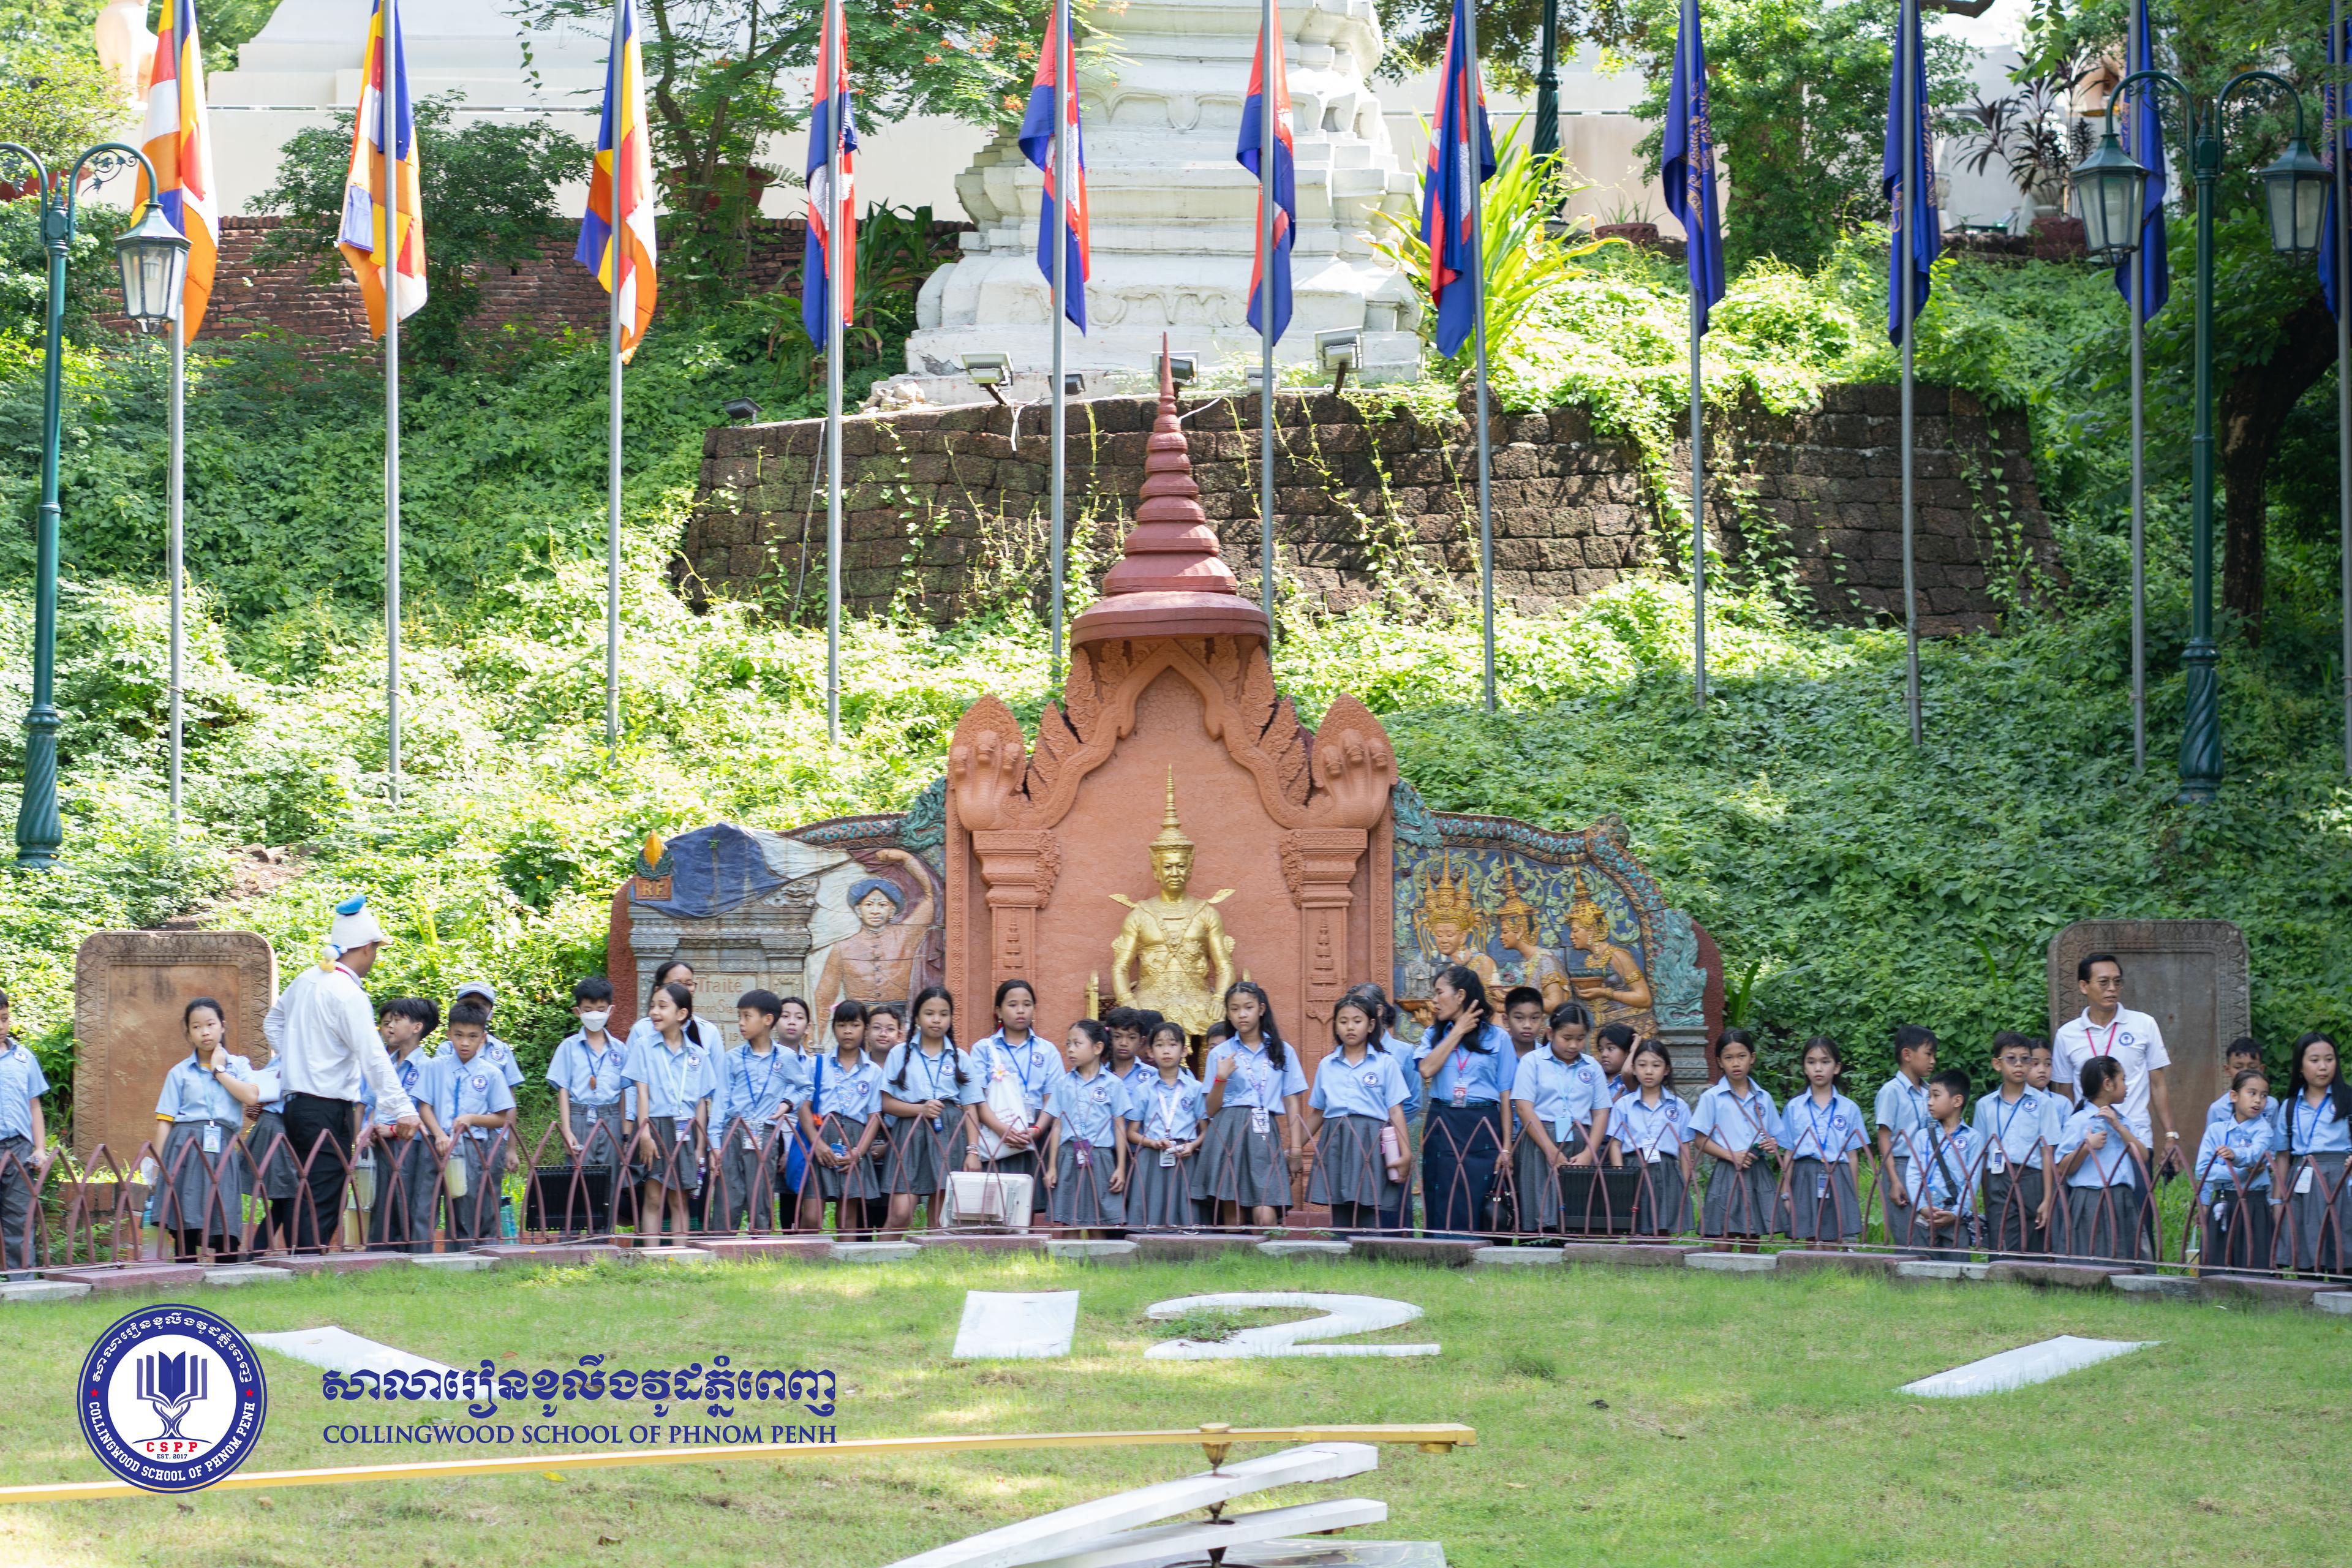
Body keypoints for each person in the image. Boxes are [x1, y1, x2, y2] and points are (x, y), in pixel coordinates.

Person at [262, 897, 420, 1250]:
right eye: (376, 949)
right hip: (328, 1108)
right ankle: (304, 1264)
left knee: (303, 1188)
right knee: (322, 1195)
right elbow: (373, 1056)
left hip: (296, 1106)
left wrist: (299, 1058)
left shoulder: (306, 980)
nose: (375, 957)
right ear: (365, 948)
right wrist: (404, 1109)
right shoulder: (348, 994)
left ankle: (284, 1257)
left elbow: (272, 1022)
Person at [2052, 954, 2182, 1180]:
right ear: (2084, 986)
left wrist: (2170, 1135)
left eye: (2117, 981)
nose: (2112, 988)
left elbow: (2158, 1084)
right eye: (2104, 982)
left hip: (2135, 1136)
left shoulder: (2143, 1024)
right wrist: (2068, 1137)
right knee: (2091, 1207)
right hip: (2089, 1138)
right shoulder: (2067, 1034)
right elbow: (2064, 1093)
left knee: (2138, 1211)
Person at [151, 998, 261, 1262]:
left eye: (211, 1024)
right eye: (197, 1027)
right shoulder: (179, 1073)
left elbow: (251, 1097)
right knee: (184, 1214)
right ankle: (185, 1271)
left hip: (221, 1146)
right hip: (184, 1147)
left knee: (225, 1211)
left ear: (222, 1027)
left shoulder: (239, 1066)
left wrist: (219, 1071)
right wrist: (158, 1164)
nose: (205, 1032)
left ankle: (228, 1271)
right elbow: (165, 1121)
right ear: (188, 1032)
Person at [1197, 981, 1309, 1228]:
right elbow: (1211, 1109)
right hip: (1228, 1129)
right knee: (1232, 1205)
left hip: (1264, 1130)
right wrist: (1221, 1078)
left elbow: (1292, 1103)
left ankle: (1266, 1259)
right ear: (1228, 1013)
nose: (1242, 1015)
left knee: (1265, 1212)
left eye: (1248, 1007)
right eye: (1235, 1009)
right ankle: (1235, 1259)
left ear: (1261, 1009)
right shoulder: (1221, 1052)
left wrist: (1297, 1148)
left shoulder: (1282, 1050)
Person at [1414, 965, 1509, 1237]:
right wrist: (1456, 1032)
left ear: (1461, 995)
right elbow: (1426, 1070)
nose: (1434, 1000)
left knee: (1477, 1191)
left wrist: (1506, 1147)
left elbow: (1505, 1094)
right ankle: (1439, 1250)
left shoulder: (1498, 1037)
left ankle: (1477, 1249)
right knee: (1440, 1186)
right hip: (1443, 1118)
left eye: (1439, 992)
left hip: (1483, 1122)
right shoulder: (1433, 1035)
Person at [1305, 993, 1412, 1234]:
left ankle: (1370, 1252)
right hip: (1336, 1141)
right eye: (1343, 1021)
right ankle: (1340, 1251)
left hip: (1370, 1140)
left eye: (1357, 1021)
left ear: (1371, 1024)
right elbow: (1317, 1113)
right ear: (1335, 1025)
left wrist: (1406, 1153)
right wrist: (1292, 1149)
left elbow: (1395, 1110)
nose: (1350, 1027)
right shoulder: (1327, 1065)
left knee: (1370, 1204)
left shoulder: (1386, 1063)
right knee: (1340, 1205)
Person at [625, 981, 720, 1244]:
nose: (655, 1012)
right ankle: (651, 1255)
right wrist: (643, 1133)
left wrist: (701, 1147)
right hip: (654, 1126)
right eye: (653, 1006)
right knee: (654, 1195)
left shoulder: (698, 1055)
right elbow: (641, 1093)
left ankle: (681, 1256)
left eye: (662, 1006)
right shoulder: (644, 1046)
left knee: (680, 1197)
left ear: (682, 1014)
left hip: (686, 1130)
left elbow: (701, 1103)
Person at [880, 986, 979, 1235]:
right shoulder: (899, 1053)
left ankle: (936, 1266)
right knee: (901, 1213)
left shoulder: (960, 1057)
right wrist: (919, 1109)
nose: (937, 1020)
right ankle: (879, 1259)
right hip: (909, 1132)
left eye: (944, 1014)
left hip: (949, 1133)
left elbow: (970, 1107)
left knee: (941, 1216)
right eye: (929, 1013)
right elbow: (886, 1103)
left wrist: (973, 1151)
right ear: (916, 1018)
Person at [1508, 1000, 1611, 1235]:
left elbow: (1601, 1112)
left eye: (1580, 1038)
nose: (1574, 1045)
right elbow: (1524, 1108)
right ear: (1551, 1033)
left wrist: (1589, 1153)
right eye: (1567, 1038)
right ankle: (1538, 1247)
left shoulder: (1592, 1067)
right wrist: (1550, 1150)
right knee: (1541, 1205)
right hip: (1540, 1140)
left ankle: (1576, 1249)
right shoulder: (1532, 1062)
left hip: (1580, 1141)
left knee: (1575, 1209)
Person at [546, 977, 634, 1233]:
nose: (594, 1014)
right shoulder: (568, 1047)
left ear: (610, 1010)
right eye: (588, 1009)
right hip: (579, 1115)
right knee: (576, 1176)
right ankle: (570, 1238)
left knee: (608, 1180)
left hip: (611, 1119)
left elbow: (625, 1092)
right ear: (578, 1011)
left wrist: (625, 1133)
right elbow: (563, 1090)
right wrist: (567, 1130)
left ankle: (602, 1238)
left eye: (600, 1008)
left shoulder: (620, 1049)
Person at [714, 990, 805, 1233]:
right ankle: (721, 1244)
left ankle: (762, 1244)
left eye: (747, 1016)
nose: (741, 1023)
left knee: (761, 1194)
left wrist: (787, 1103)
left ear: (767, 1020)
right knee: (728, 1193)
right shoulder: (732, 1058)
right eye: (739, 1017)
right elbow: (721, 1100)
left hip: (764, 1132)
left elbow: (805, 1087)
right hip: (733, 1130)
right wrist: (715, 1142)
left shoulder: (785, 1057)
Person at [362, 997, 443, 1253]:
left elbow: (424, 1112)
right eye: (389, 1021)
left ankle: (412, 1257)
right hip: (381, 1143)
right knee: (381, 1206)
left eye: (398, 1020)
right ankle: (380, 1258)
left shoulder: (428, 1067)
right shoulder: (384, 1065)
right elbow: (373, 1104)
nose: (391, 1027)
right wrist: (369, 1128)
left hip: (411, 1146)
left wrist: (394, 1130)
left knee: (407, 1203)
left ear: (417, 1028)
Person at [1973, 1031, 2062, 1256]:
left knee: (2035, 1236)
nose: (2019, 1065)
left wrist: (2048, 1197)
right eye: (2011, 1059)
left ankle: (2035, 1284)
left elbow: (2047, 1153)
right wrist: (1985, 1194)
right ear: (1997, 1064)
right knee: (2002, 1236)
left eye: (2025, 1059)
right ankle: (2002, 1282)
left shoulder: (2043, 1104)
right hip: (1998, 1176)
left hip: (2032, 1177)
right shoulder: (1985, 1106)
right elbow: (1982, 1154)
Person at [434, 1001, 516, 1245]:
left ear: (483, 1038)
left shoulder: (492, 1072)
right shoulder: (437, 1067)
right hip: (442, 1143)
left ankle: (486, 1250)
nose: (465, 1043)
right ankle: (456, 1252)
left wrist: (472, 1119)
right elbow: (425, 1105)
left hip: (477, 1145)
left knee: (481, 1198)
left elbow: (503, 1116)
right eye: (459, 1036)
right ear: (449, 1035)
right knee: (453, 1200)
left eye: (473, 1037)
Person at [2054, 1055, 2150, 1262]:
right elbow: (2062, 1167)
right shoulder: (2079, 1121)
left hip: (2121, 1198)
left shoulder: (2123, 1121)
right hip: (2089, 1199)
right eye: (2123, 1080)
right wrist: (2086, 1147)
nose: (2127, 1086)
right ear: (2108, 1084)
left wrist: (2118, 1127)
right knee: (2088, 1257)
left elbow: (2142, 1156)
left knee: (2124, 1256)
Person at [797, 1005, 883, 1235]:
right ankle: (805, 1261)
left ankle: (847, 1261)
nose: (848, 1031)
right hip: (822, 1137)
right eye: (842, 1025)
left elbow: (875, 1116)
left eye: (855, 1025)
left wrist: (859, 1152)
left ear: (864, 1029)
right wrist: (818, 1145)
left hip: (855, 1141)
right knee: (813, 1214)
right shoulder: (817, 1064)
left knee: (847, 1214)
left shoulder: (873, 1072)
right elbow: (803, 1107)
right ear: (833, 1028)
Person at [1691, 1028, 1782, 1243]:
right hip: (1727, 1171)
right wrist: (1731, 1155)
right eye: (1729, 1058)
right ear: (1720, 1062)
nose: (1736, 1063)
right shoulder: (1712, 1097)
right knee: (1723, 1233)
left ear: (1752, 1058)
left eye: (1741, 1056)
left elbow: (1776, 1136)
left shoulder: (1763, 1097)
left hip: (1757, 1170)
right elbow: (1700, 1140)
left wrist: (1772, 1144)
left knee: (1752, 1234)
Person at [2272, 1031, 2350, 1275]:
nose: (2323, 1067)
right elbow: (2283, 1156)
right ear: (2300, 1067)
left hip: (2342, 1177)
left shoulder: (2348, 1099)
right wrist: (2278, 1199)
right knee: (2305, 1247)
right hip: (2302, 1180)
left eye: (2329, 1059)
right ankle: (2307, 1295)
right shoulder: (2290, 1106)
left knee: (2344, 1242)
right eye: (2315, 1060)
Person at [1043, 1019, 1128, 1235]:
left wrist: (1120, 1167)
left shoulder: (1113, 1084)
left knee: (1097, 1222)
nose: (1070, 1049)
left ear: (1098, 1048)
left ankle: (1097, 1267)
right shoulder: (1063, 1083)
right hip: (1068, 1156)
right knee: (1069, 1221)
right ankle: (1067, 1267)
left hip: (1100, 1158)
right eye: (1068, 1044)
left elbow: (1119, 1127)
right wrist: (1052, 1167)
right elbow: (1057, 1126)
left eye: (1077, 1043)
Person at [969, 979, 1059, 1184]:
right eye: (1013, 1005)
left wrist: (1038, 1130)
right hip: (997, 1131)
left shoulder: (1047, 1050)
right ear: (999, 1012)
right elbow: (976, 1099)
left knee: (1029, 1204)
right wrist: (1002, 1130)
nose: (1021, 1010)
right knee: (997, 1203)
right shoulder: (984, 1049)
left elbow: (1053, 1099)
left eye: (1027, 1005)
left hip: (1035, 1133)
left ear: (1034, 1009)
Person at [1781, 1036, 1867, 1244]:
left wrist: (1852, 1196)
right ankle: (1811, 1272)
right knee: (1811, 1236)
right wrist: (1785, 1192)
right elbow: (1789, 1153)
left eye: (1825, 1062)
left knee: (1834, 1234)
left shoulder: (1849, 1108)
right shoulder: (1794, 1107)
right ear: (1804, 1068)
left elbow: (1853, 1155)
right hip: (1805, 1174)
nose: (1818, 1068)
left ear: (1836, 1068)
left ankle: (1832, 1272)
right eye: (1811, 1062)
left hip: (1838, 1174)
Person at [1124, 1020, 1207, 1229]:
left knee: (1184, 1210)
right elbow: (1132, 1133)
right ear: (1150, 1052)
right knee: (1151, 1210)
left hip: (1185, 1155)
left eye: (1172, 1045)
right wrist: (1152, 1143)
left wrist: (1193, 1146)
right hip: (1151, 1157)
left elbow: (1206, 1131)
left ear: (1184, 1050)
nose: (1166, 1051)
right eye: (1160, 1045)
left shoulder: (1195, 1088)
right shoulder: (1143, 1090)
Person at [2196, 1067, 2275, 1273]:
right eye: (2252, 1093)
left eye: (2264, 1096)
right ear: (2234, 1096)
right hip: (2223, 1200)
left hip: (2255, 1202)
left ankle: (2255, 1301)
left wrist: (2236, 1155)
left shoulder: (2264, 1129)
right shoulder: (2216, 1131)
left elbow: (2258, 1154)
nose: (2258, 1100)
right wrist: (2243, 1173)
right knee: (2217, 1262)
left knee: (2254, 1261)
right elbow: (2202, 1171)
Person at [1614, 1039, 1692, 1237]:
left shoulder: (1679, 1106)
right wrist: (1620, 1176)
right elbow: (1615, 1144)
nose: (1649, 1071)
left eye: (1656, 1065)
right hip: (1634, 1168)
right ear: (1633, 1068)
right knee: (1635, 1227)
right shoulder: (1623, 1105)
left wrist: (1685, 1181)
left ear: (1666, 1070)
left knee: (1662, 1225)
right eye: (1642, 1065)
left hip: (1666, 1169)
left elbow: (1685, 1149)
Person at [1905, 1069, 1981, 1262]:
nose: (1930, 1102)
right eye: (1929, 1096)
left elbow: (1972, 1183)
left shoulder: (1973, 1139)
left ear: (1957, 1101)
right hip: (1925, 1217)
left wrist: (1956, 1214)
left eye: (1936, 1096)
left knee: (1958, 1272)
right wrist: (1922, 1206)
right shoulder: (1923, 1136)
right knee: (1921, 1270)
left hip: (1955, 1218)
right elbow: (1914, 1174)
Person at [1874, 1025, 1938, 1246]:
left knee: (1928, 1229)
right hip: (1901, 1164)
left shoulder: (1931, 1092)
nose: (1933, 1061)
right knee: (1907, 1233)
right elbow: (1884, 1138)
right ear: (1907, 1055)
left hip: (1929, 1166)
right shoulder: (1891, 1091)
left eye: (1934, 1056)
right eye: (1928, 1054)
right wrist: (1894, 1180)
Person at [0, 989, 43, 1276]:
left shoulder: (24, 1059)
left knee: (20, 1218)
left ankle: (22, 1283)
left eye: (3, 1019)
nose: (0, 1026)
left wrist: (39, 1148)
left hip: (18, 1149)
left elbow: (34, 1107)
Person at [449, 981, 526, 1093]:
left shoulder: (501, 1050)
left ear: (491, 1013)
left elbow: (509, 1094)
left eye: (483, 1005)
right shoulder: (446, 1049)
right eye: (469, 1002)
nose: (475, 1007)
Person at [2207, 1038, 2278, 1133]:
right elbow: (2211, 1144)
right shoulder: (2218, 1109)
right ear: (2228, 1070)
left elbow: (2276, 1143)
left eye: (2252, 1067)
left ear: (2261, 1069)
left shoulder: (2271, 1105)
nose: (2246, 1072)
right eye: (2238, 1067)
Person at [1594, 1023, 1637, 1104]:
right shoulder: (1595, 1079)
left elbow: (1627, 1072)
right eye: (1601, 1050)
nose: (1604, 1054)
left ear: (1628, 1052)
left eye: (1610, 1049)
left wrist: (1634, 1050)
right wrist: (1612, 1105)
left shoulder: (1635, 1081)